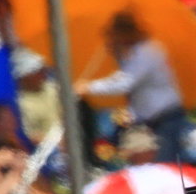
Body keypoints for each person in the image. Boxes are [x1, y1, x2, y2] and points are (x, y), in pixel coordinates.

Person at [77, 12, 188, 164]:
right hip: (151, 121)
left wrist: (88, 87)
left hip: (166, 119)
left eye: (113, 35)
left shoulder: (146, 52)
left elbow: (125, 82)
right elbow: (121, 77)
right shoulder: (133, 54)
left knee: (165, 165)